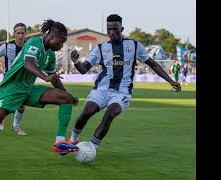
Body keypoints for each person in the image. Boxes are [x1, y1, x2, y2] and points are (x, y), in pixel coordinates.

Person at [0, 19, 79, 164]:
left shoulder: (50, 54)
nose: (61, 46)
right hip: (12, 89)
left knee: (66, 98)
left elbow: (54, 79)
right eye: (60, 42)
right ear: (52, 37)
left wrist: (69, 95)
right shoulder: (33, 43)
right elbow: (28, 64)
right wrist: (44, 77)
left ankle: (59, 142)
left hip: (28, 89)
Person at [67, 14, 181, 150]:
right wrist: (75, 61)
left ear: (122, 29)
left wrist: (170, 81)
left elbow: (153, 64)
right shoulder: (100, 48)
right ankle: (73, 139)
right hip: (101, 90)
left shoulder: (134, 46)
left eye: (115, 29)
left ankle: (91, 148)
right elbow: (84, 69)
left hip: (122, 92)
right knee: (87, 111)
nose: (112, 32)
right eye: (109, 29)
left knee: (110, 114)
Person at [0, 23, 27, 135]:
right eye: (18, 33)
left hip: (23, 79)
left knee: (22, 105)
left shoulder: (29, 46)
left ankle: (15, 125)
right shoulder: (6, 46)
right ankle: (0, 119)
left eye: (22, 33)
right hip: (9, 78)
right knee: (5, 102)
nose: (20, 36)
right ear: (14, 34)